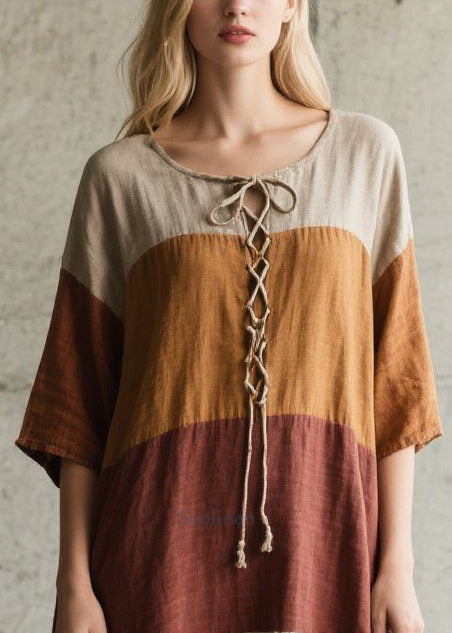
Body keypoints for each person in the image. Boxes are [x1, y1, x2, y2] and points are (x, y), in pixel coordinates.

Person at [14, 1, 443, 633]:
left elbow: (397, 383)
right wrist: (73, 587)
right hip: (156, 554)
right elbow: (78, 404)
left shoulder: (365, 156)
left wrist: (397, 570)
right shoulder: (120, 178)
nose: (237, 5)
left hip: (329, 549)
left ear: (292, 5)